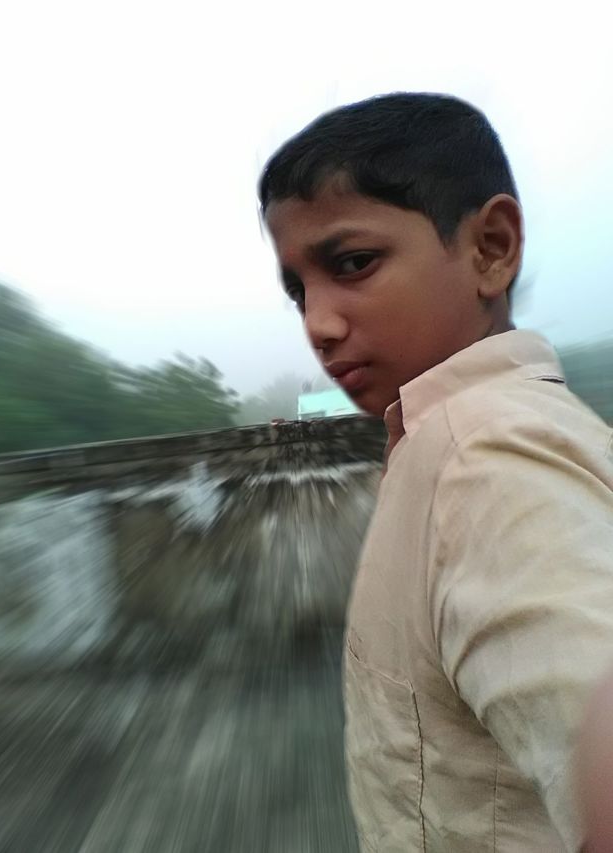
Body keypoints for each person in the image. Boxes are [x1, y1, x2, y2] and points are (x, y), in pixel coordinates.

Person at [258, 93, 613, 852]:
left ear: (491, 248)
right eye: (299, 290)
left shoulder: (484, 460)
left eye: (353, 263)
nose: (318, 324)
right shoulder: (447, 439)